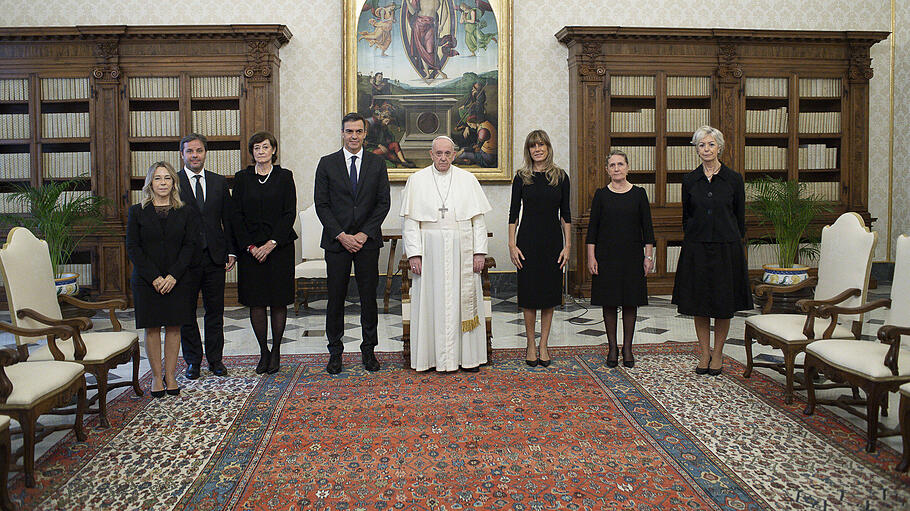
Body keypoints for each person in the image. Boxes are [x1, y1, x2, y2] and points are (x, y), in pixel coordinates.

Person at [400, 135, 491, 372]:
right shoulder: (416, 180)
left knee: (463, 301)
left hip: (463, 250)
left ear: (454, 154)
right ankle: (431, 358)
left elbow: (478, 221)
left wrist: (479, 252)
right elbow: (410, 223)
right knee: (430, 302)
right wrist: (414, 254)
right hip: (429, 253)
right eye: (438, 153)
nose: (443, 158)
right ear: (431, 154)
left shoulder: (468, 179)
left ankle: (467, 358)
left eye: (447, 153)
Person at [672, 125, 753, 376]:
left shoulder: (733, 179)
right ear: (696, 150)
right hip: (696, 247)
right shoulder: (689, 180)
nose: (706, 149)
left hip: (726, 248)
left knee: (722, 303)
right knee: (699, 303)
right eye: (701, 145)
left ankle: (718, 353)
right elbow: (687, 215)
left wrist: (728, 237)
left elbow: (739, 217)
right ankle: (704, 352)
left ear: (719, 147)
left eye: (710, 144)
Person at [315, 112, 391, 375]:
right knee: (335, 299)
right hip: (337, 243)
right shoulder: (327, 164)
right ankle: (335, 352)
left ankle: (369, 351)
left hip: (367, 244)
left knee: (369, 299)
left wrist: (363, 234)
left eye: (359, 131)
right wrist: (342, 235)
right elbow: (322, 205)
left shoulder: (377, 164)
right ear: (342, 133)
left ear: (365, 134)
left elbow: (383, 203)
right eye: (349, 131)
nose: (354, 136)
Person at [126, 162, 200, 397]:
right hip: (147, 281)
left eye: (167, 178)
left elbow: (190, 246)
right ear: (150, 183)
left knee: (175, 327)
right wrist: (155, 277)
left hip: (178, 279)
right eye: (158, 179)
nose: (163, 183)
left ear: (173, 183)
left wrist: (172, 276)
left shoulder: (185, 211)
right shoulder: (137, 211)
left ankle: (170, 376)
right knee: (152, 329)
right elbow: (133, 248)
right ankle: (156, 377)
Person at [232, 131, 298, 375]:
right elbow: (235, 216)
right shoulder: (242, 179)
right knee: (256, 302)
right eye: (256, 148)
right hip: (251, 252)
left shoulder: (284, 176)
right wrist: (251, 247)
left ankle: (277, 350)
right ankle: (263, 351)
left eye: (265, 147)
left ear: (273, 151)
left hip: (279, 248)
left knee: (278, 301)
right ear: (252, 152)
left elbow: (288, 213)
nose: (261, 151)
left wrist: (271, 243)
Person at [586, 150, 655, 368]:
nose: (617, 168)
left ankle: (627, 348)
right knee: (609, 301)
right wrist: (591, 257)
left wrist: (648, 257)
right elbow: (592, 230)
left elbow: (648, 229)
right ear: (607, 170)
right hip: (606, 257)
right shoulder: (601, 195)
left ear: (627, 167)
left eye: (620, 164)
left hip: (633, 256)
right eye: (612, 165)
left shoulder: (639, 194)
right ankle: (612, 348)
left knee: (630, 302)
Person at [508, 130, 571, 368]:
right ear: (529, 150)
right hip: (527, 241)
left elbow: (566, 214)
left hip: (553, 242)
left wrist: (568, 246)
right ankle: (530, 344)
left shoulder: (560, 177)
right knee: (529, 295)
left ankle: (544, 344)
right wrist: (512, 244)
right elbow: (513, 214)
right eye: (533, 146)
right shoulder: (521, 177)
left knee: (548, 296)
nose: (537, 149)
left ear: (548, 147)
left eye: (541, 144)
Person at [177, 133, 236, 380]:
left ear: (205, 153)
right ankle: (193, 362)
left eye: (199, 151)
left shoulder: (218, 182)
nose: (194, 155)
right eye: (190, 151)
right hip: (185, 261)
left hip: (215, 257)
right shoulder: (173, 182)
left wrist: (231, 250)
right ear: (182, 155)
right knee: (186, 314)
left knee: (215, 313)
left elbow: (228, 219)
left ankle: (216, 360)